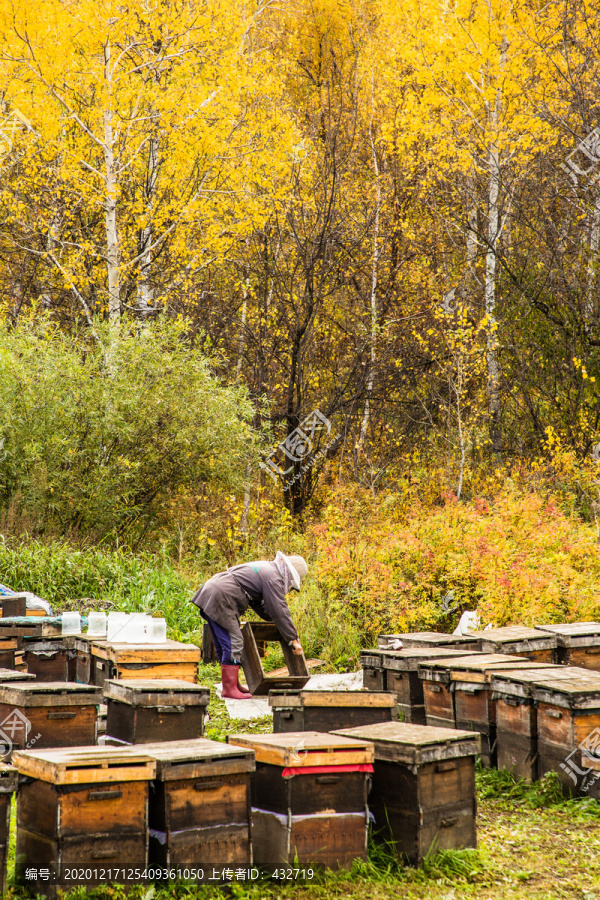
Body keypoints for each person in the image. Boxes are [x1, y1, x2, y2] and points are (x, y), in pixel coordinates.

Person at [192, 551, 308, 699]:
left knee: (226, 643)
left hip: (216, 590)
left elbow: (261, 605)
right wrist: (293, 639)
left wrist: (276, 622)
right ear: (290, 575)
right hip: (222, 596)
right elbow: (279, 609)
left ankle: (232, 684)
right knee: (234, 641)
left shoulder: (266, 569)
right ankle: (229, 689)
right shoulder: (273, 577)